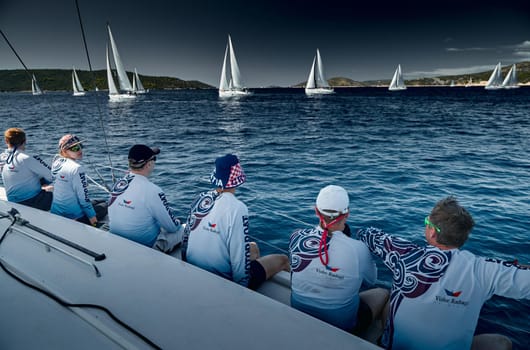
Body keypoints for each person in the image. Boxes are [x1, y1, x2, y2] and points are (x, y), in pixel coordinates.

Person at [358, 196, 530, 350]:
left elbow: (368, 234)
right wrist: (516, 267)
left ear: (432, 231)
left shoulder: (405, 253)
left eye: (427, 222)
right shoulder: (485, 269)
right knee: (500, 343)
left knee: (389, 301)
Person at [289, 185, 389, 334]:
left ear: (316, 211)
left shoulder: (297, 236)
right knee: (382, 292)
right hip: (342, 325)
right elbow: (371, 281)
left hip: (298, 309)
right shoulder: (358, 249)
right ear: (347, 214)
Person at [182, 154, 289, 290]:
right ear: (236, 177)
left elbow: (186, 238)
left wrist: (185, 265)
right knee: (282, 259)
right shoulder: (238, 208)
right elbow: (238, 254)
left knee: (254, 247)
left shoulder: (201, 198)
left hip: (193, 266)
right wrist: (241, 289)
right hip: (221, 278)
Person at [108, 144, 182, 252]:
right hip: (143, 247)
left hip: (116, 238)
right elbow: (172, 227)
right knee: (182, 230)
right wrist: (177, 222)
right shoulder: (154, 191)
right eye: (154, 159)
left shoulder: (119, 183)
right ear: (148, 164)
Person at [51, 134, 107, 226]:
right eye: (74, 148)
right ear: (65, 151)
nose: (80, 150)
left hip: (56, 212)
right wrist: (95, 224)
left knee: (100, 200)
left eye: (80, 146)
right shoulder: (77, 168)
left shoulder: (56, 162)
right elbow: (84, 201)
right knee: (105, 205)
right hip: (74, 217)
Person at [0, 127, 53, 210]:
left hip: (13, 201)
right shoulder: (27, 158)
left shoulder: (2, 157)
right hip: (33, 202)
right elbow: (52, 175)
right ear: (24, 141)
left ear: (6, 141)